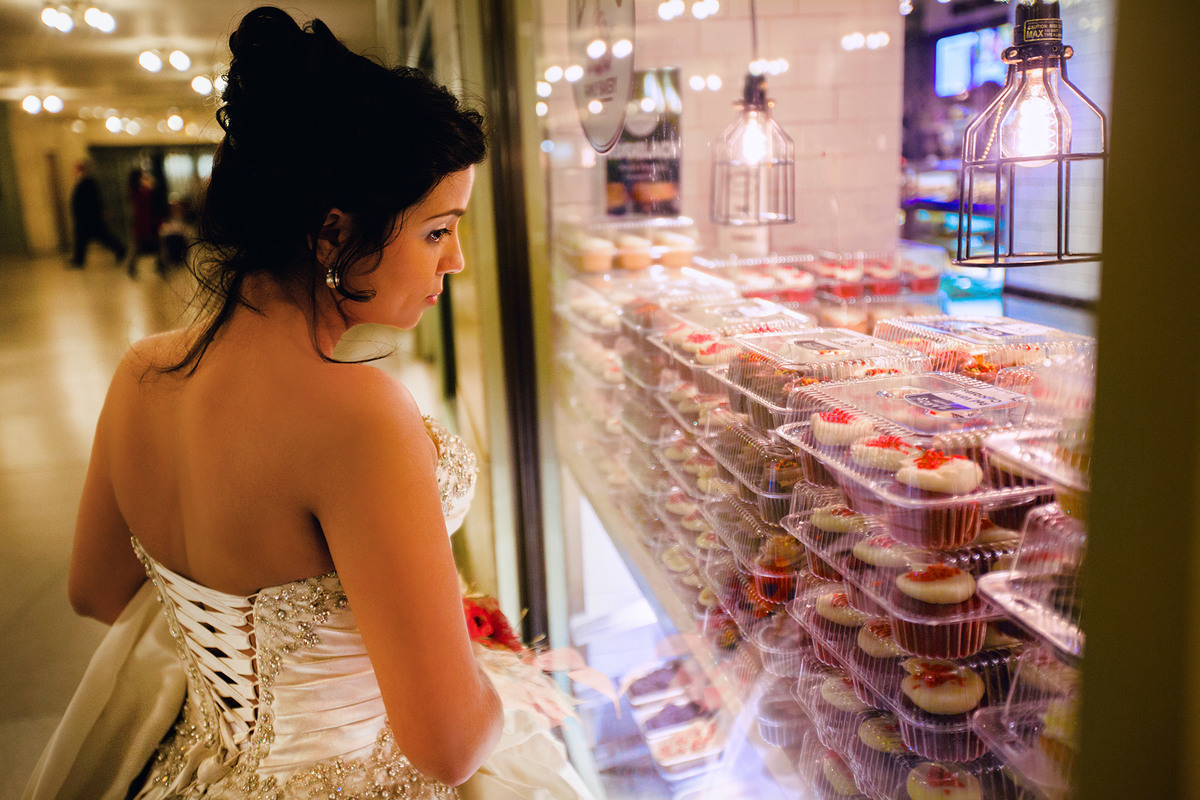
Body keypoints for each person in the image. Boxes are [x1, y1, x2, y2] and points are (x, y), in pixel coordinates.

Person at [24, 7, 594, 799]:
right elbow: (449, 745)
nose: (456, 260)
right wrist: (497, 677)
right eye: (436, 232)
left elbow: (95, 591)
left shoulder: (142, 374)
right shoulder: (360, 417)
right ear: (332, 232)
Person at [69, 160, 126, 268]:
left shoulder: (88, 182)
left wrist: (99, 212)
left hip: (89, 218)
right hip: (86, 217)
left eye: (76, 169)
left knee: (102, 237)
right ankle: (79, 260)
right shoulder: (84, 182)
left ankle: (121, 250)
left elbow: (93, 199)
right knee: (84, 239)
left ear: (81, 170)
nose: (74, 172)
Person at [125, 167, 165, 278]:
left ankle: (161, 265)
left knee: (157, 244)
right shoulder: (138, 192)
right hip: (145, 224)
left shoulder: (140, 191)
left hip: (148, 223)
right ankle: (132, 267)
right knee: (139, 246)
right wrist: (150, 188)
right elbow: (145, 207)